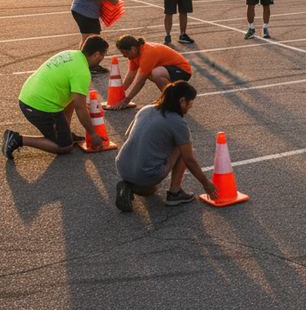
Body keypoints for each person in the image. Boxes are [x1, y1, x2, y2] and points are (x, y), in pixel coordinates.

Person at [114, 80, 218, 212]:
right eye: (190, 102)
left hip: (122, 166)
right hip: (145, 174)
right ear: (182, 101)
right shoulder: (177, 122)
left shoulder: (146, 109)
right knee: (184, 149)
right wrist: (206, 184)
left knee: (151, 190)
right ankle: (174, 193)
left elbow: (128, 134)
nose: (191, 106)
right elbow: (189, 159)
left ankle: (128, 184)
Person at [3, 37, 109, 159]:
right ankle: (18, 139)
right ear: (96, 54)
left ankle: (65, 132)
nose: (102, 59)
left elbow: (76, 101)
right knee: (65, 147)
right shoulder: (82, 72)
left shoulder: (71, 54)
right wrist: (93, 134)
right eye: (103, 55)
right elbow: (80, 108)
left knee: (72, 99)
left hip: (29, 95)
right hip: (38, 106)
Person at [108, 34, 193, 109]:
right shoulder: (135, 55)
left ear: (133, 48)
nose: (124, 56)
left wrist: (126, 100)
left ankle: (172, 100)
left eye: (125, 52)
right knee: (151, 73)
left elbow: (140, 81)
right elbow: (131, 75)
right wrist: (119, 94)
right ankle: (169, 98)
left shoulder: (147, 53)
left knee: (156, 73)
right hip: (170, 70)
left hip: (183, 71)